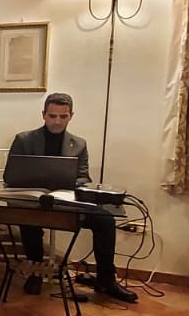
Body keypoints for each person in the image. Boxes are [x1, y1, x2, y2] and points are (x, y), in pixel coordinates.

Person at [8, 93, 138, 303]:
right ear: (43, 115)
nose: (57, 121)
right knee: (28, 217)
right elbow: (10, 175)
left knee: (105, 220)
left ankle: (106, 280)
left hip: (66, 201)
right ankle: (35, 272)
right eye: (52, 116)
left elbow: (84, 177)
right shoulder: (24, 139)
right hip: (34, 199)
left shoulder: (79, 144)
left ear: (71, 116)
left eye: (63, 116)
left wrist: (70, 184)